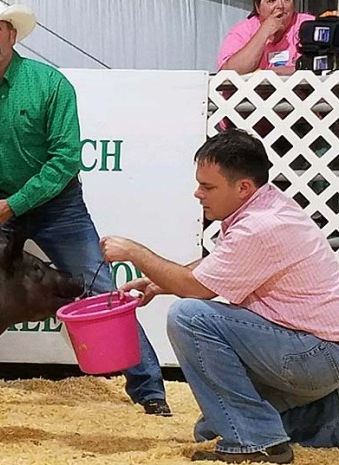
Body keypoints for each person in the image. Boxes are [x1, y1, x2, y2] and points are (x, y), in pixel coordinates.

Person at [0, 0, 171, 415]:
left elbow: (65, 160)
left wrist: (17, 203)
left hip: (57, 207)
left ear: (12, 34)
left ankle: (150, 390)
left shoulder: (50, 83)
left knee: (102, 292)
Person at [101, 129, 339, 463]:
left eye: (208, 186)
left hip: (313, 356)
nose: (198, 193)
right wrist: (158, 282)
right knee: (210, 428)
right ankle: (323, 418)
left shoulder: (261, 225)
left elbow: (195, 288)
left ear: (243, 187)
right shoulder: (267, 206)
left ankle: (258, 443)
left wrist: (134, 252)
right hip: (317, 354)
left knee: (189, 316)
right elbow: (222, 262)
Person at [218, 0, 314, 75]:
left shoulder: (308, 24)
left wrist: (291, 71)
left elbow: (324, 64)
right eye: (271, 1)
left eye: (286, 0)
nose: (280, 6)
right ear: (257, 7)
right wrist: (263, 33)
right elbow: (228, 73)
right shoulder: (243, 30)